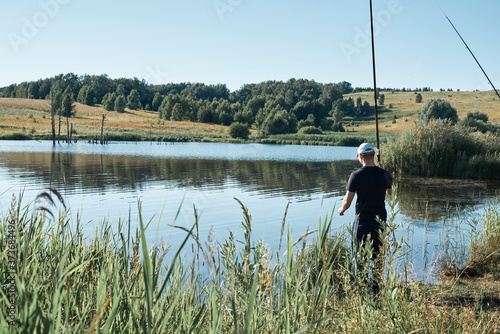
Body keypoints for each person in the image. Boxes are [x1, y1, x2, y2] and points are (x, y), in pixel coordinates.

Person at [338, 143, 393, 294]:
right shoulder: (385, 174)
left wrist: (341, 210)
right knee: (377, 257)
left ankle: (361, 291)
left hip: (362, 222)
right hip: (380, 221)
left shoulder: (356, 175)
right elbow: (390, 193)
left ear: (361, 156)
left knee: (359, 257)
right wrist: (383, 173)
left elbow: (347, 202)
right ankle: (376, 291)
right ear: (373, 156)